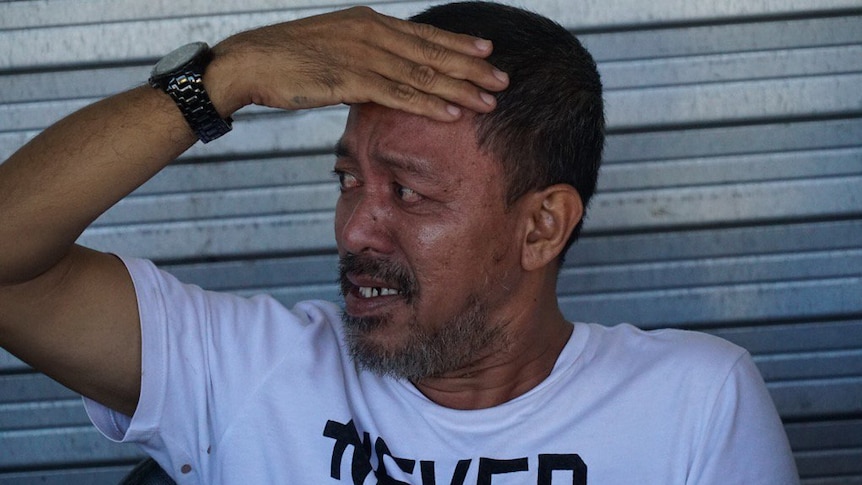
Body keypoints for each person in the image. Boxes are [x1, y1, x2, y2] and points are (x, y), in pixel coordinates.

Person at [0, 2, 799, 484]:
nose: (354, 229)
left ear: (541, 225)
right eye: (348, 180)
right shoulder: (246, 371)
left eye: (407, 192)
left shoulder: (693, 402)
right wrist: (226, 77)